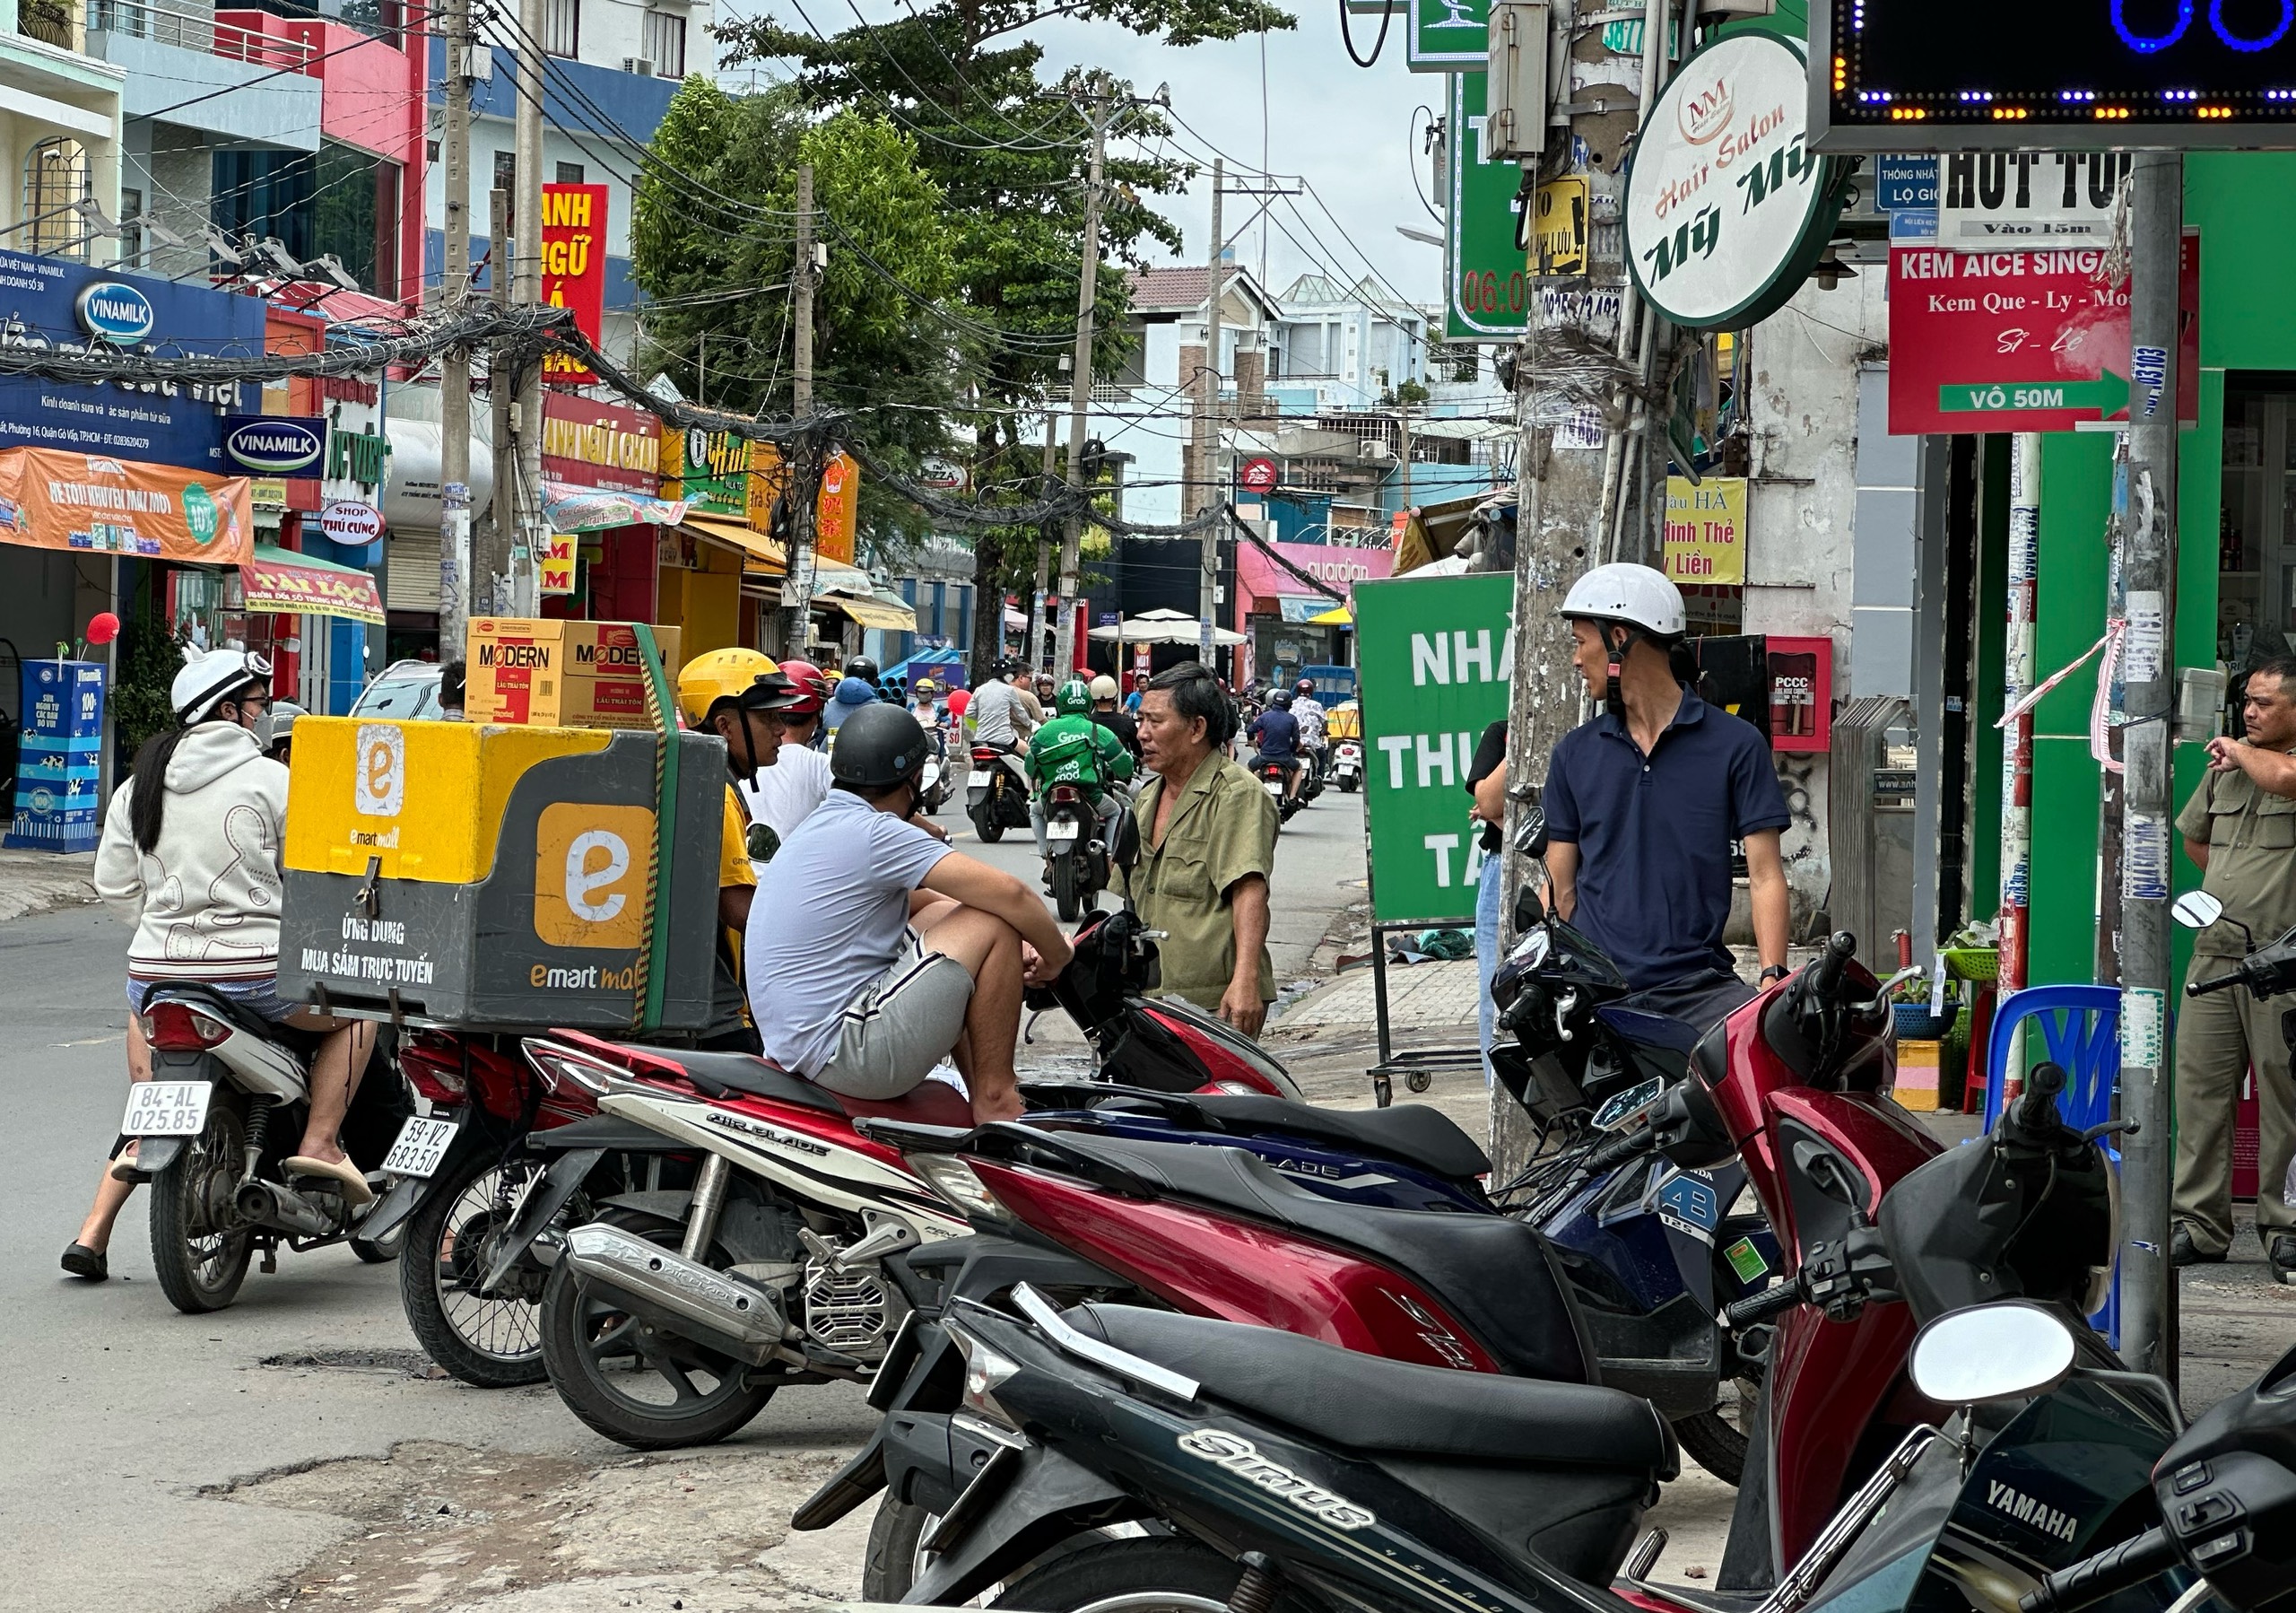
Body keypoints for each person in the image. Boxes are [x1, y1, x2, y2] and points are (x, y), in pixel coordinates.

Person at [66, 649, 380, 1280]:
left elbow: (116, 884)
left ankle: (102, 1214)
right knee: (361, 1011)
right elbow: (317, 878)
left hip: (155, 977)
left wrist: (166, 928)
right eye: (259, 704)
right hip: (259, 979)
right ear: (232, 709)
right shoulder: (273, 781)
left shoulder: (139, 786)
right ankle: (320, 1141)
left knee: (146, 1030)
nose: (264, 716)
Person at [744, 704, 1072, 1121]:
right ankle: (996, 1096)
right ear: (915, 779)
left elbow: (933, 906)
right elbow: (1011, 894)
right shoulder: (877, 832)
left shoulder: (826, 822)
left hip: (803, 1043)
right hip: (847, 1052)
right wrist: (1056, 957)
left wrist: (1016, 952)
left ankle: (979, 1097)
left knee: (951, 915)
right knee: (993, 922)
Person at [1542, 563, 1791, 1033]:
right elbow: (1561, 890)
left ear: (1618, 638)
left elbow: (1764, 876)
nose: (1576, 660)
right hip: (1600, 993)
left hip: (1702, 990)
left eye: (1580, 642)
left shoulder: (1736, 745)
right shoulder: (1574, 755)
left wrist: (1771, 978)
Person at [2171, 655, 2296, 1277]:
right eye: (2246, 701)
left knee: (2285, 1094)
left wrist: (2235, 750)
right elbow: (2196, 838)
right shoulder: (2228, 772)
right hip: (2217, 949)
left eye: (2264, 702)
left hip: (2284, 961)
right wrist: (2231, 886)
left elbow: (2283, 780)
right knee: (2199, 1091)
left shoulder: (2260, 765)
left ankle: (2286, 1223)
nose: (2250, 711)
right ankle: (2199, 1223)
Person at [1117, 662, 1279, 1035]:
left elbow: (1249, 889)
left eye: (1155, 722)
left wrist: (1245, 981)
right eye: (1140, 720)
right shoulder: (1147, 797)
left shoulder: (1237, 794)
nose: (1142, 733)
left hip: (1213, 998)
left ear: (1196, 728)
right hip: (1152, 993)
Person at [678, 650, 811, 1052]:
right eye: (768, 718)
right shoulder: (715, 792)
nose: (780, 729)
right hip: (712, 1011)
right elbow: (740, 911)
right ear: (725, 726)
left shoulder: (701, 775)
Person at [1028, 676, 1136, 882]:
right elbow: (1124, 764)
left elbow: (1030, 765)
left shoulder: (1044, 732)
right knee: (1115, 811)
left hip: (1052, 793)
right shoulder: (1096, 731)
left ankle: (1046, 858)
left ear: (1060, 704)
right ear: (1088, 704)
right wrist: (1125, 773)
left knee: (1034, 811)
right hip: (1090, 794)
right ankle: (1110, 860)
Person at [1466, 720, 1508, 1086]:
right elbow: (1490, 802)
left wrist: (1498, 814)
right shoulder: (1501, 733)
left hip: (1571, 866)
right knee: (1495, 989)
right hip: (1503, 864)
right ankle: (1499, 1093)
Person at [1248, 688, 1305, 805]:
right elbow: (1296, 740)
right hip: (1285, 758)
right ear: (1289, 704)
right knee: (1299, 768)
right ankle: (1293, 797)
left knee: (1249, 768)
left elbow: (1250, 730)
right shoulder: (1292, 719)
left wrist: (1253, 745)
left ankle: (1251, 795)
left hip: (1265, 758)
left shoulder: (1265, 717)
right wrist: (1291, 752)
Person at [1088, 673, 1140, 760]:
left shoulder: (1087, 722)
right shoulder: (1126, 722)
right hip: (1122, 770)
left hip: (1094, 769)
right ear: (1115, 697)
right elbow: (1138, 750)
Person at [1292, 677, 1328, 783]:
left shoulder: (1292, 704)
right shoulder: (1316, 705)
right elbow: (1325, 722)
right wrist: (1324, 731)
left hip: (1295, 741)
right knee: (1322, 756)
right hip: (1312, 742)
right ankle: (1319, 778)